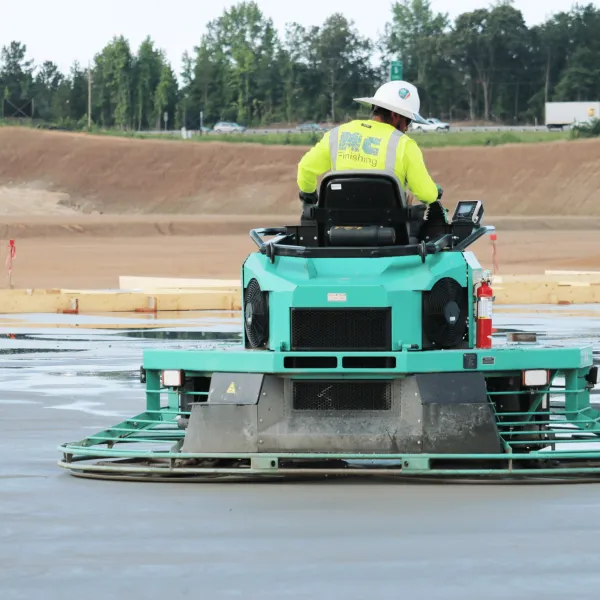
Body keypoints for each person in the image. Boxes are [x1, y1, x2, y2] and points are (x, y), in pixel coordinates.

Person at [296, 80, 443, 208]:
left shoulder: (337, 134)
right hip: (389, 233)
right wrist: (434, 192)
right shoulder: (405, 145)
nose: (406, 128)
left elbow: (305, 168)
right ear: (395, 115)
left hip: (336, 231)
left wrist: (309, 197)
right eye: (408, 121)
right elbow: (426, 194)